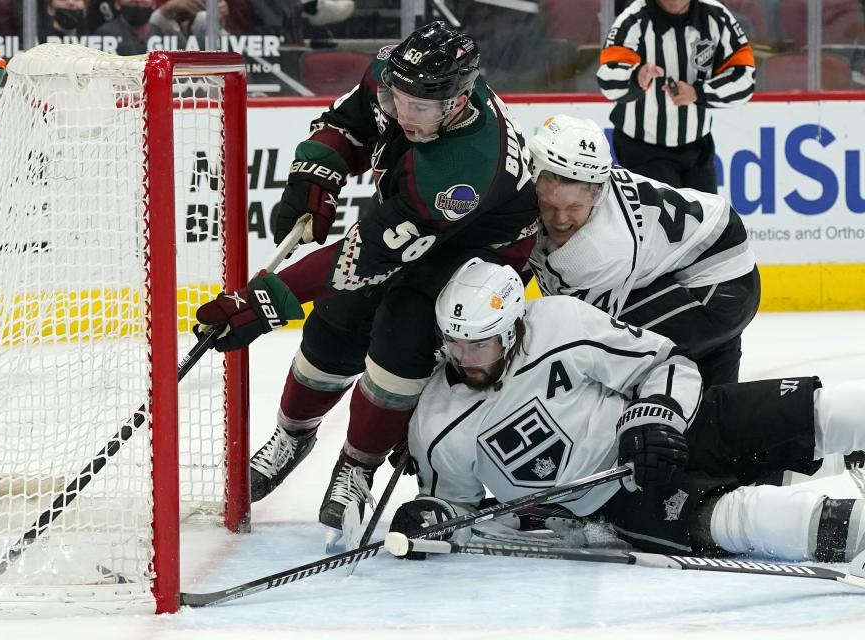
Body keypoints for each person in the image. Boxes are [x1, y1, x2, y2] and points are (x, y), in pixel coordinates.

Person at [193, 21, 538, 539]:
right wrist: (317, 174)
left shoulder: (463, 171)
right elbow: (351, 121)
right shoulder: (402, 77)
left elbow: (364, 256)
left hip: (474, 252)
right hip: (408, 215)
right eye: (397, 100)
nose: (403, 114)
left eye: (419, 109)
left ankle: (358, 465)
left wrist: (263, 303)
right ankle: (292, 435)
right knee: (335, 323)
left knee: (402, 334)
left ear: (459, 102)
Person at [389, 258, 865, 564]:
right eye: (455, 341)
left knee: (825, 411)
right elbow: (464, 512)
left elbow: (665, 361)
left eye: (480, 342)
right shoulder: (435, 425)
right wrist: (431, 515)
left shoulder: (559, 322)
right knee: (746, 518)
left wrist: (656, 415)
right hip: (614, 505)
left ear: (513, 328)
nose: (464, 355)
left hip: (683, 425)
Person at [525, 114, 758, 388]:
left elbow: (585, 338)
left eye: (574, 208)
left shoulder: (600, 250)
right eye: (550, 206)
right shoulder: (580, 189)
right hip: (697, 254)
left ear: (596, 193)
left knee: (620, 355)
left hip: (721, 282)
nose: (561, 220)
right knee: (712, 397)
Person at [596, 0, 756, 193]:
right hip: (642, 149)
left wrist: (698, 92)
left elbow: (744, 77)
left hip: (697, 148)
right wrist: (636, 75)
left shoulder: (716, 16)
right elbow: (607, 77)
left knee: (706, 221)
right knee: (667, 220)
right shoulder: (633, 18)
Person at [94, 0, 185, 55]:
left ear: (154, 3)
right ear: (117, 3)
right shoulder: (105, 35)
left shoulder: (165, 35)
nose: (137, 1)